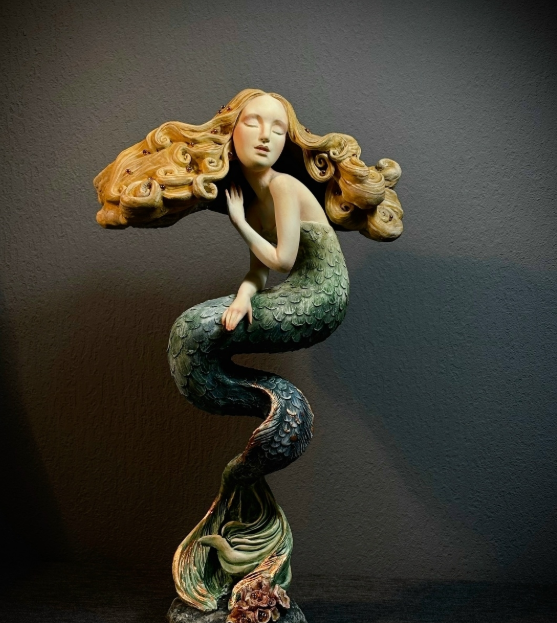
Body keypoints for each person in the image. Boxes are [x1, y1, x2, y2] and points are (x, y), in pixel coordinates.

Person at [94, 89, 403, 620]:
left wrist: (238, 222)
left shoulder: (283, 186)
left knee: (195, 328)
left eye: (278, 129)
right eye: (254, 123)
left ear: (288, 141)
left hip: (317, 299)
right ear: (230, 131)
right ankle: (250, 510)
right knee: (202, 333)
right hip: (292, 292)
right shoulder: (255, 192)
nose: (265, 135)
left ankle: (246, 481)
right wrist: (242, 296)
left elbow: (282, 258)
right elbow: (260, 272)